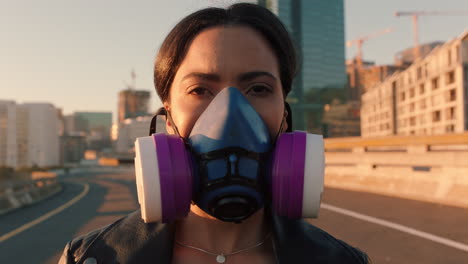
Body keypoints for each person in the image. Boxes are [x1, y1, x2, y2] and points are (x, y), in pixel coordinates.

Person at [59, 3, 369, 264]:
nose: (230, 115)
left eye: (258, 88)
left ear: (284, 116)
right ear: (167, 116)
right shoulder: (90, 258)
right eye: (200, 90)